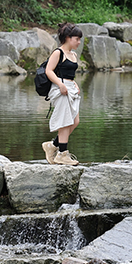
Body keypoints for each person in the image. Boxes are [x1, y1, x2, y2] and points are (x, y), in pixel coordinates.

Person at [41, 23, 83, 166]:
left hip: (70, 87)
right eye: (76, 39)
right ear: (67, 38)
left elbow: (69, 73)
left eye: (79, 39)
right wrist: (60, 85)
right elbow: (49, 70)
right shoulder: (58, 52)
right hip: (60, 88)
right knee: (65, 121)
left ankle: (52, 146)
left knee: (75, 121)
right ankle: (62, 155)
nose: (78, 42)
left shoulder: (73, 54)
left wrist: (74, 83)